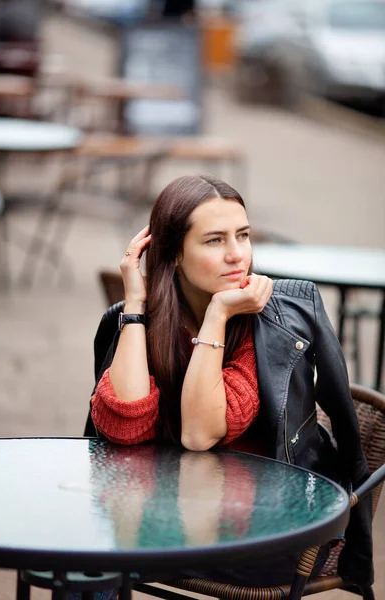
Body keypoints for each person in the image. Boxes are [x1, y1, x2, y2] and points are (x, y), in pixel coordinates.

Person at [87, 174, 373, 589]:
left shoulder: (270, 322)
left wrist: (219, 313)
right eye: (215, 241)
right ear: (175, 254)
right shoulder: (140, 321)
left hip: (267, 530)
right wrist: (134, 305)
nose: (237, 255)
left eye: (243, 235)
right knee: (90, 555)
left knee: (106, 552)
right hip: (164, 513)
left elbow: (200, 434)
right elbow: (125, 429)